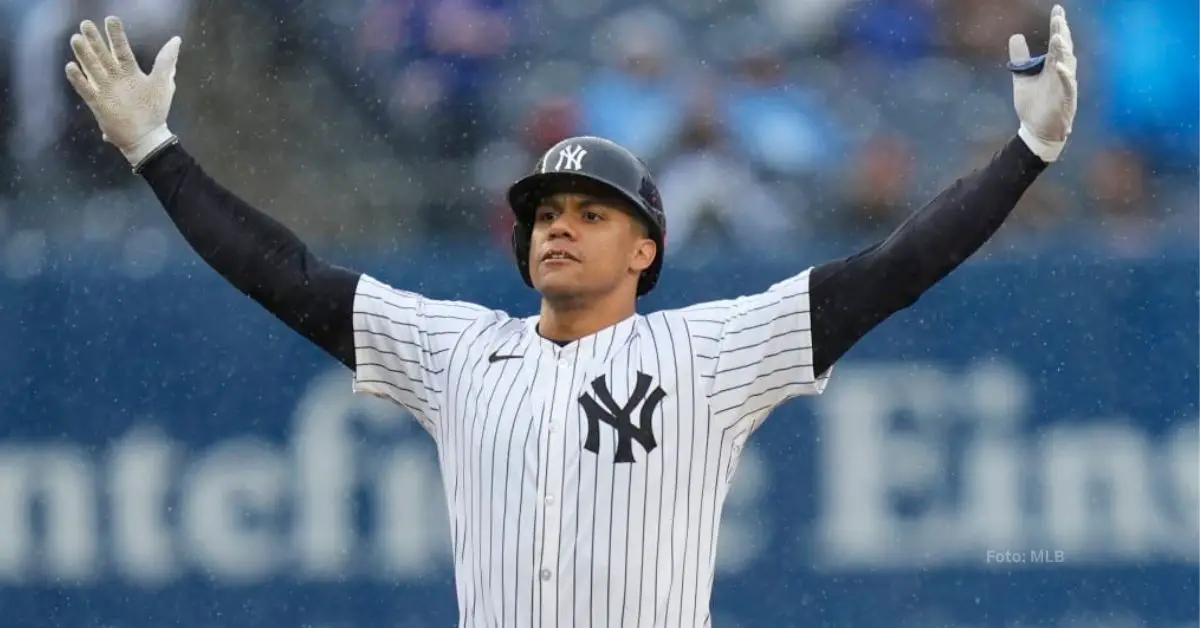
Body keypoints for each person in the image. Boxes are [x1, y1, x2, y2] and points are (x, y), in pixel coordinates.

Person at [62, 8, 1077, 627]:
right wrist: (157, 149)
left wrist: (1023, 156)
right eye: (548, 211)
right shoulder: (461, 352)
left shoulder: (708, 353)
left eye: (593, 213)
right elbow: (284, 273)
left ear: (645, 249)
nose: (561, 225)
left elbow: (892, 269)